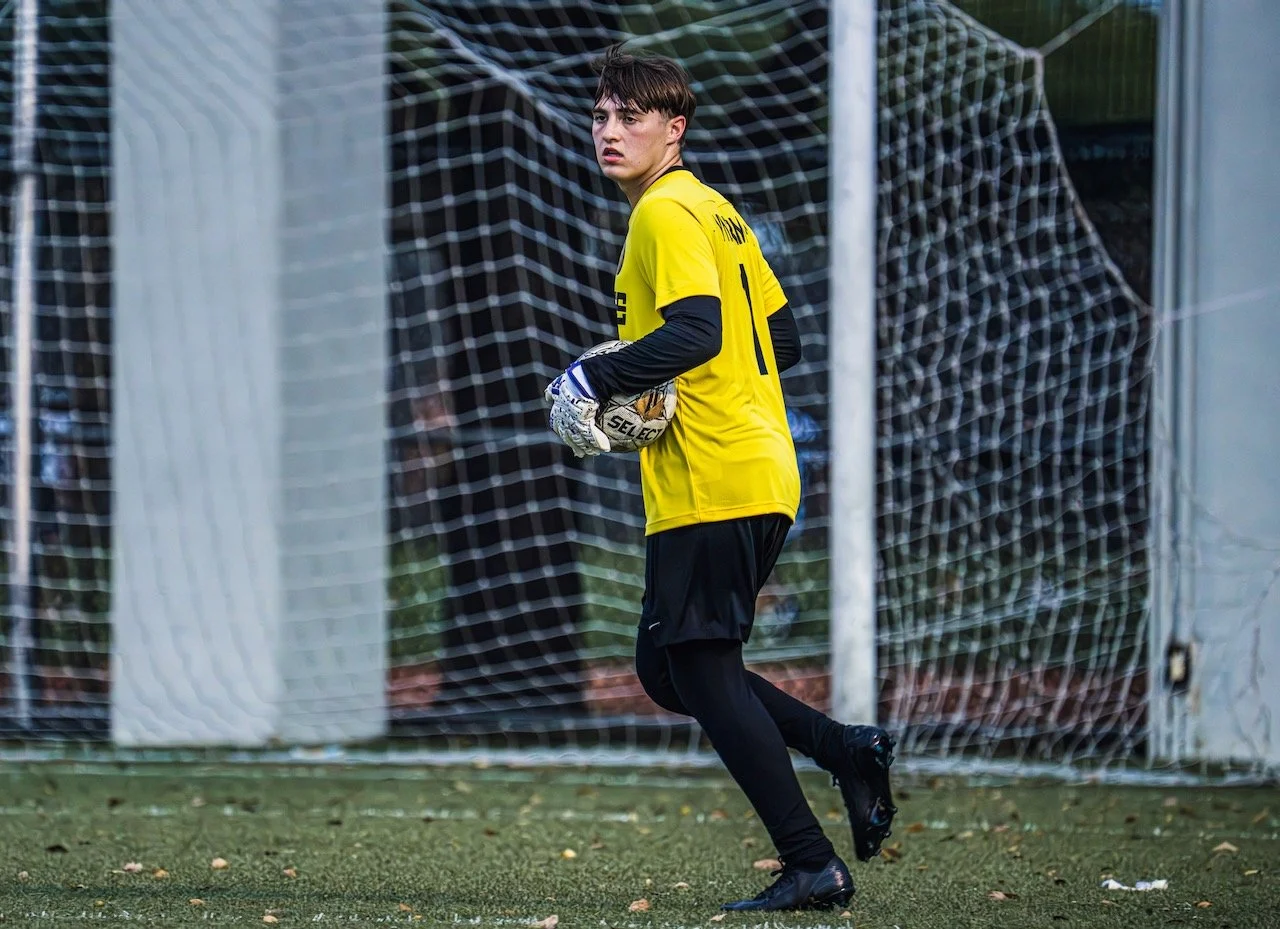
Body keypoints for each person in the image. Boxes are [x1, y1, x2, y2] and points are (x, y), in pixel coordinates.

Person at [544, 46, 897, 911]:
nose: (610, 131)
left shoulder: (663, 214)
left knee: (698, 671)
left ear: (676, 128)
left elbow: (699, 333)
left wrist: (599, 380)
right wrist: (668, 392)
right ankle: (845, 748)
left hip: (716, 478)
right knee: (668, 669)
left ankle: (810, 860)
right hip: (755, 469)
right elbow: (778, 341)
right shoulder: (717, 212)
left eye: (632, 116)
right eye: (600, 115)